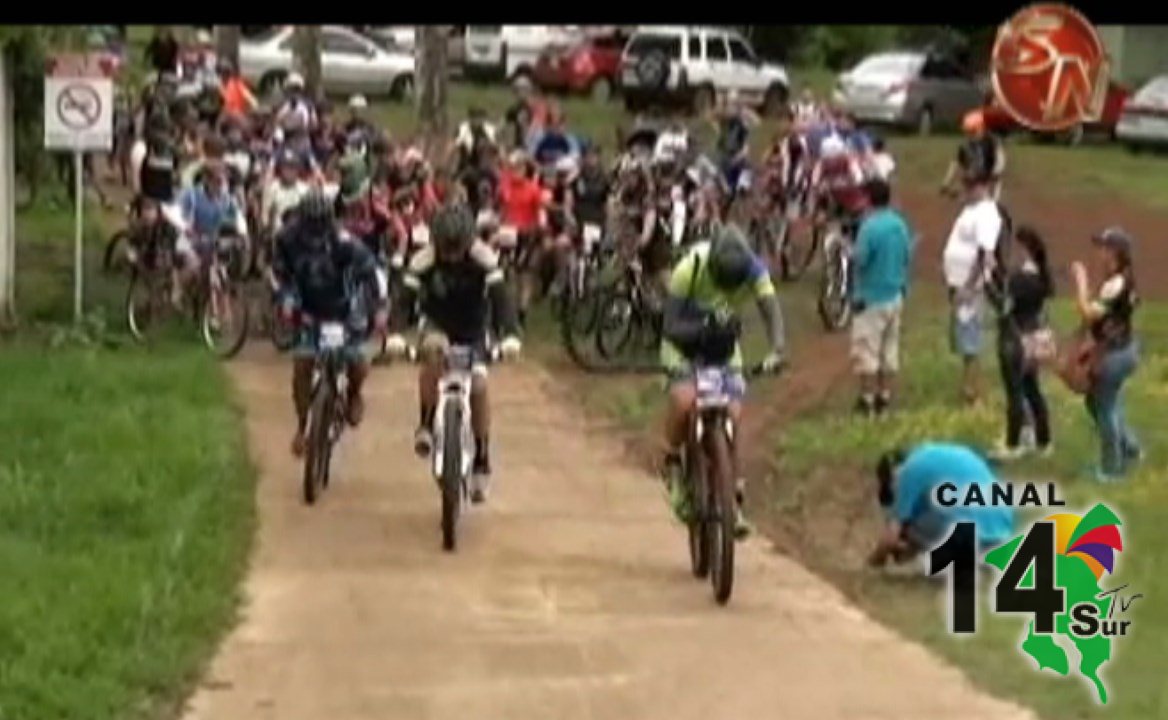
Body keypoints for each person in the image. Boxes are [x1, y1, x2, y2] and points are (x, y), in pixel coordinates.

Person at [388, 204, 522, 503]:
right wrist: (395, 334)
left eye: (456, 249)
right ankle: (424, 422)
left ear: (468, 242)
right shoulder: (422, 260)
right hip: (437, 323)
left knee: (479, 383)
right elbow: (403, 300)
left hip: (474, 327)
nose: (450, 255)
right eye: (445, 249)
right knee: (433, 353)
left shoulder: (485, 259)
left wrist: (511, 335)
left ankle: (482, 457)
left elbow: (502, 300)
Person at [660, 226, 787, 537]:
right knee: (685, 399)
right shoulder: (689, 269)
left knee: (732, 412)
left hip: (723, 349)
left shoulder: (755, 270)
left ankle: (732, 490)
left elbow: (771, 311)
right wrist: (704, 328)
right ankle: (673, 459)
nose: (730, 288)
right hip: (682, 345)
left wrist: (777, 349)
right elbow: (670, 326)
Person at [273, 189, 387, 456]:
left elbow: (373, 273)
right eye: (309, 224)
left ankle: (354, 393)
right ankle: (302, 426)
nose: (314, 231)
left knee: (357, 360)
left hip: (346, 309)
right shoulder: (286, 239)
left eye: (319, 224)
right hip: (307, 309)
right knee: (302, 364)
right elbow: (278, 274)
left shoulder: (345, 242)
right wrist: (285, 300)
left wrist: (380, 307)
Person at [868, 442, 1015, 573]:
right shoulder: (946, 454)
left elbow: (890, 539)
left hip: (969, 538)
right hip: (1002, 534)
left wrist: (873, 563)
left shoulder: (907, 471)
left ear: (893, 474)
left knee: (904, 526)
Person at [1072, 228, 1141, 482]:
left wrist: (1080, 282)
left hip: (1115, 355)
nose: (1099, 252)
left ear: (1115, 252)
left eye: (1104, 247)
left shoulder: (1117, 283)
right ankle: (1130, 449)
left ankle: (1113, 469)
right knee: (1100, 403)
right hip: (1121, 349)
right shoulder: (1122, 278)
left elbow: (1088, 313)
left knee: (1105, 407)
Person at [941, 161, 1004, 405]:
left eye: (972, 185)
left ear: (985, 186)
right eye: (966, 184)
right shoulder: (972, 208)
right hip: (958, 281)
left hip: (971, 286)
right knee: (963, 336)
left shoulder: (988, 214)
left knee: (971, 338)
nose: (967, 189)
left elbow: (984, 255)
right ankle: (968, 386)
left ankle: (973, 391)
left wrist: (968, 287)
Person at [850, 178, 913, 417]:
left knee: (866, 348)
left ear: (868, 199)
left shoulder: (869, 227)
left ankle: (867, 399)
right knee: (889, 348)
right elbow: (907, 255)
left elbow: (861, 259)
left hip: (871, 296)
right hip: (895, 294)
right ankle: (884, 396)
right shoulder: (899, 224)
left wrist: (850, 252)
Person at [992, 225, 1054, 460]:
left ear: (1024, 249)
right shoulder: (1042, 277)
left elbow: (1003, 306)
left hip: (1014, 339)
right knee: (1032, 389)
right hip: (1034, 338)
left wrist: (990, 282)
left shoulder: (1019, 280)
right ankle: (1043, 440)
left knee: (1014, 392)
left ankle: (1013, 443)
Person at [497, 150, 546, 327]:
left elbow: (540, 211)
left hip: (526, 234)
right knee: (505, 271)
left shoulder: (533, 189)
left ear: (525, 169)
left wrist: (539, 226)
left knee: (524, 274)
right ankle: (504, 308)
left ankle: (522, 311)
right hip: (507, 233)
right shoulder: (505, 185)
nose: (515, 171)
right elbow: (500, 206)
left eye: (519, 167)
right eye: (513, 167)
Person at [942, 110, 1005, 201]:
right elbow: (956, 163)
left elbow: (1000, 158)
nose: (970, 135)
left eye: (973, 131)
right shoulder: (966, 146)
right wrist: (946, 182)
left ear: (981, 128)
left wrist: (996, 171)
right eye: (969, 132)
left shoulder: (991, 142)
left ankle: (991, 201)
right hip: (975, 182)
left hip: (988, 180)